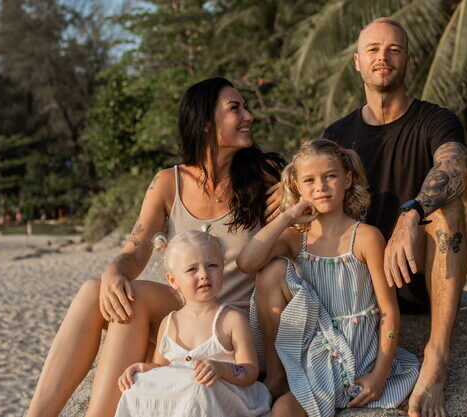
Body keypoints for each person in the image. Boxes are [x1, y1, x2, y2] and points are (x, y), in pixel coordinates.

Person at [26, 77, 284, 417]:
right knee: (98, 289)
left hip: (234, 322)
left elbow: (325, 179)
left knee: (129, 300)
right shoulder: (168, 182)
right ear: (206, 122)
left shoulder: (266, 176)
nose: (249, 116)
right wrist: (115, 269)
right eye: (235, 108)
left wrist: (293, 193)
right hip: (185, 312)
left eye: (245, 107)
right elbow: (137, 247)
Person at [322, 18, 467, 417]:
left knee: (448, 207)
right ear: (357, 61)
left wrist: (411, 214)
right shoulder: (337, 134)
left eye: (393, 49)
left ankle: (435, 360)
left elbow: (455, 168)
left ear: (408, 60)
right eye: (372, 49)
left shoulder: (436, 120)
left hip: (416, 273)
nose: (382, 58)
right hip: (362, 287)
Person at [237, 139, 420, 417]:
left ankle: (300, 388)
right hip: (314, 348)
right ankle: (277, 376)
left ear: (347, 180)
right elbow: (247, 262)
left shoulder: (366, 237)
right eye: (309, 180)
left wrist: (380, 375)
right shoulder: (294, 238)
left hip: (356, 353)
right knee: (271, 273)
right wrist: (288, 216)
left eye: (330, 176)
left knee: (283, 411)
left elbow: (389, 311)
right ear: (297, 187)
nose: (320, 187)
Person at [114, 230, 271, 417]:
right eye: (192, 269)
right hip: (187, 395)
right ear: (173, 281)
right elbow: (164, 371)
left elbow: (250, 371)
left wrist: (222, 369)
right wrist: (144, 369)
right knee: (136, 385)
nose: (204, 274)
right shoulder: (170, 322)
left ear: (222, 268)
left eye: (212, 265)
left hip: (224, 396)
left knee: (198, 388)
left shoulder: (232, 319)